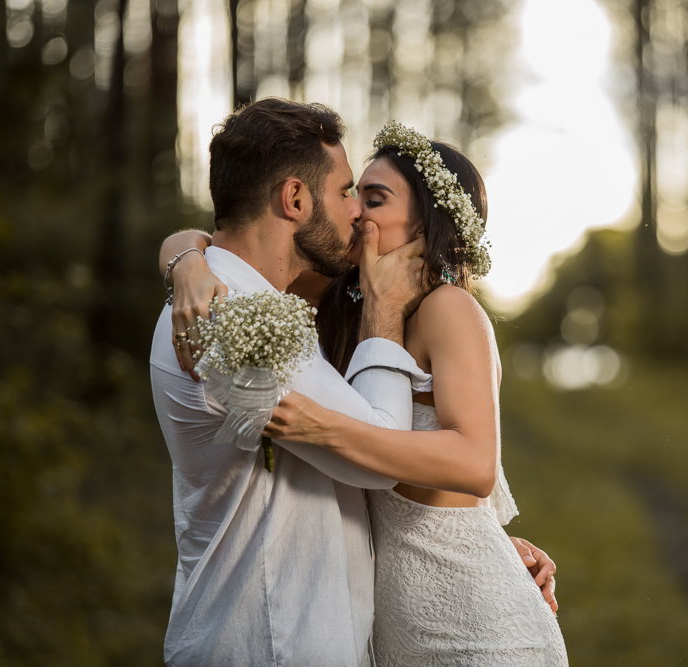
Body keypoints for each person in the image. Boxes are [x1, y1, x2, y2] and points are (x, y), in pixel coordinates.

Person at [153, 98, 556, 667]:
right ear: (296, 198)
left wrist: (481, 541)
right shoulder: (287, 309)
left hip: (463, 619)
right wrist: (185, 261)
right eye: (350, 194)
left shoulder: (444, 310)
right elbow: (234, 242)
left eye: (373, 198)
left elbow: (471, 467)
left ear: (425, 222)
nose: (356, 214)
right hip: (343, 625)